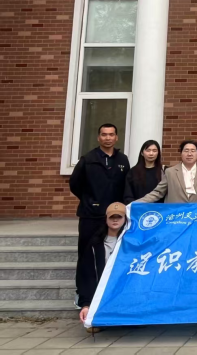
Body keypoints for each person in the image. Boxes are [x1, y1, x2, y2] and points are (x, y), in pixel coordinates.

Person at [69, 123, 130, 306]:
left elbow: (126, 185)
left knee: (113, 255)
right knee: (86, 255)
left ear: (116, 137)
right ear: (98, 137)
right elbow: (75, 184)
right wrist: (90, 200)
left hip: (115, 217)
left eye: (111, 134)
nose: (108, 138)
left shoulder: (122, 160)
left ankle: (110, 294)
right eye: (104, 134)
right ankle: (83, 295)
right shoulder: (88, 159)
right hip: (91, 215)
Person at [77, 202, 128, 333]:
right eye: (112, 217)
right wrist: (86, 304)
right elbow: (87, 276)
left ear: (125, 219)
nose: (115, 220)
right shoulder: (95, 244)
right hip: (102, 288)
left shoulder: (130, 243)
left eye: (119, 217)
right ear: (106, 219)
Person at [137, 140, 197, 204]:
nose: (189, 154)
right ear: (181, 153)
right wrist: (136, 203)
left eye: (193, 151)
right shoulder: (170, 172)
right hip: (175, 213)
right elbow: (158, 192)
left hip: (196, 212)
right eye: (186, 151)